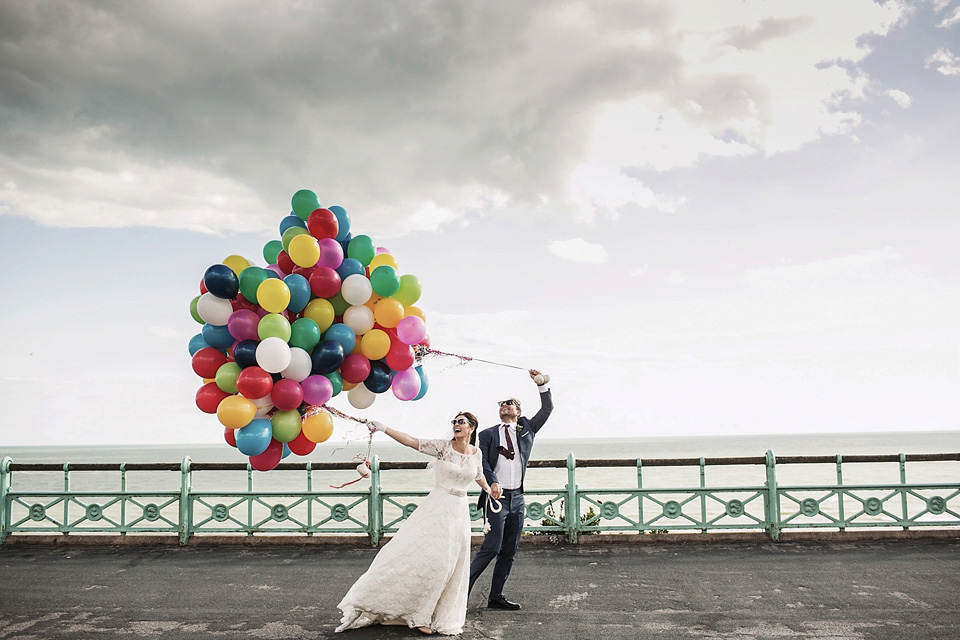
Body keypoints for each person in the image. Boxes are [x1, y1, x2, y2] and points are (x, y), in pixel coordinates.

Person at [336, 412, 495, 636]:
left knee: (452, 564)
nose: (456, 425)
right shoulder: (443, 447)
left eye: (461, 422)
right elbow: (412, 441)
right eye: (454, 422)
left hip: (459, 512)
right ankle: (418, 615)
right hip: (438, 507)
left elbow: (478, 475)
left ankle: (435, 613)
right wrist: (384, 427)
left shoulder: (476, 452)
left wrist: (489, 489)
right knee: (433, 560)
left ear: (472, 427)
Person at [468, 369, 553, 610]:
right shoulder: (486, 434)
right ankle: (460, 594)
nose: (505, 405)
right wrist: (492, 481)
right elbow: (481, 462)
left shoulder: (527, 429)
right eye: (502, 404)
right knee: (491, 547)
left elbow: (547, 409)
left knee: (509, 549)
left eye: (511, 403)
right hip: (496, 498)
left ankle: (495, 597)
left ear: (518, 411)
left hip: (518, 498)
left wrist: (541, 385)